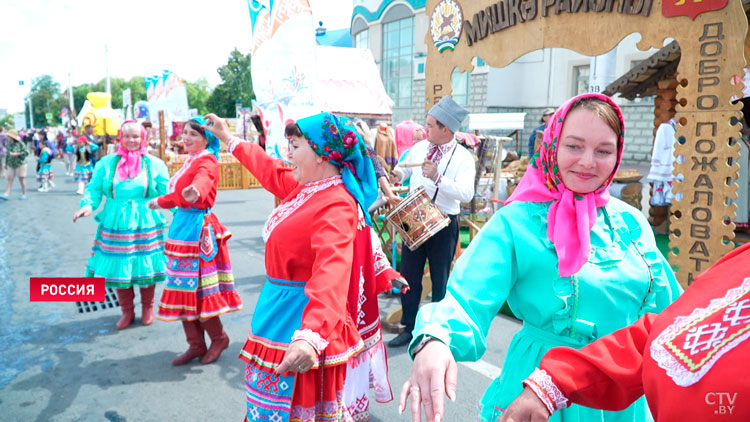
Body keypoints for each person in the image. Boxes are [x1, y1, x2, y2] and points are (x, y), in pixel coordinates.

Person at [398, 93, 682, 422]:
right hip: (536, 392)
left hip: (618, 390)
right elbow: (467, 296)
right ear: (552, 145)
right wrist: (437, 339)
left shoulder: (632, 223)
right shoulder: (517, 221)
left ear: (617, 155)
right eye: (574, 146)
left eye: (603, 151)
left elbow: (670, 311)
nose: (588, 162)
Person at [210, 111, 379, 421]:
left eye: (296, 145)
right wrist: (228, 138)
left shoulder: (335, 202)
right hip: (279, 312)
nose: (288, 153)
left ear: (321, 154)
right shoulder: (310, 187)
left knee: (293, 409)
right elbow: (269, 170)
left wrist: (310, 335)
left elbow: (332, 272)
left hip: (300, 319)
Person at [500, 242, 750, 422]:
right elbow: (669, 331)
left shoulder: (631, 221)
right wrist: (555, 381)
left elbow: (666, 297)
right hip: (563, 371)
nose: (588, 164)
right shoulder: (742, 262)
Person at [149, 117, 242, 365]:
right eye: (185, 133)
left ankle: (219, 338)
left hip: (198, 232)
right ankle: (196, 344)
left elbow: (203, 180)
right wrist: (160, 202)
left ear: (207, 139)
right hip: (182, 228)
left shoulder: (207, 161)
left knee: (198, 290)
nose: (186, 138)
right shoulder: (191, 159)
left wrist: (197, 191)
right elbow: (178, 196)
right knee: (182, 289)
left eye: (193, 134)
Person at [388, 96, 476, 348]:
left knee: (440, 280)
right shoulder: (421, 147)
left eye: (430, 125)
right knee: (408, 276)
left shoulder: (463, 157)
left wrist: (438, 178)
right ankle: (409, 327)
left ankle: (435, 333)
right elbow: (404, 168)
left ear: (445, 129)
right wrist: (397, 173)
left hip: (443, 222)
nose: (425, 130)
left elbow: (466, 193)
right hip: (414, 217)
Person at [72, 121, 170, 329]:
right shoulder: (106, 163)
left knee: (146, 265)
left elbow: (167, 193)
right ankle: (127, 311)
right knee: (119, 266)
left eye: (136, 136)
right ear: (120, 138)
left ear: (143, 138)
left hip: (145, 220)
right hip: (115, 221)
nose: (131, 140)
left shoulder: (155, 163)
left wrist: (184, 212)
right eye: (127, 137)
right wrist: (88, 206)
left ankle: (147, 308)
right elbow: (94, 188)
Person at [1, 130, 29, 200]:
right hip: (11, 163)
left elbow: (26, 152)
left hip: (20, 163)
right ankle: (6, 193)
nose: (8, 137)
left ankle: (24, 194)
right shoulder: (8, 143)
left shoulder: (20, 143)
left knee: (21, 179)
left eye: (9, 136)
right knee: (9, 179)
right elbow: (7, 154)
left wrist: (18, 154)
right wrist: (6, 163)